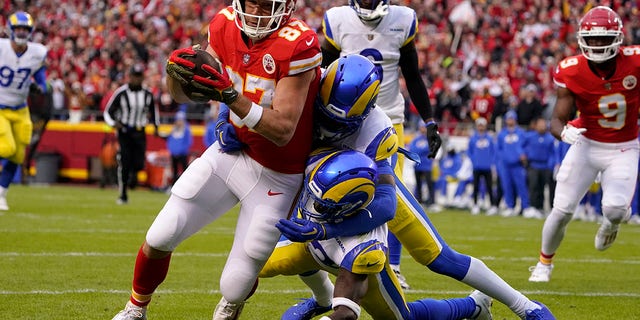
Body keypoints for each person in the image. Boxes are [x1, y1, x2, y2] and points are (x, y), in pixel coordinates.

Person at [270, 55, 554, 320]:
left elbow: (385, 204)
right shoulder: (303, 90)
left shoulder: (376, 129)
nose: (331, 128)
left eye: (341, 122)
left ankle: (524, 306)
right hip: (310, 184)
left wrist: (325, 230)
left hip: (361, 196)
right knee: (276, 243)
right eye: (326, 116)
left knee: (438, 257)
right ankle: (322, 297)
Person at [111, 1, 321, 319]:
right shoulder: (223, 24)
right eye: (255, 4)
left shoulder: (299, 42)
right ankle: (135, 307)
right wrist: (177, 75)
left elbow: (282, 130)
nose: (260, 13)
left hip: (278, 175)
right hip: (232, 153)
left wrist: (230, 98)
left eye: (268, 6)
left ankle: (235, 303)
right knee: (161, 234)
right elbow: (191, 93)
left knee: (234, 285)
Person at [261, 149, 493, 320]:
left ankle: (472, 305)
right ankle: (321, 298)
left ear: (346, 208)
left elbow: (346, 314)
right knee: (254, 263)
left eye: (322, 205)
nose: (313, 208)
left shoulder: (363, 245)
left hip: (350, 259)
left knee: (403, 318)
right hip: (318, 247)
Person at [320, 0, 443, 287]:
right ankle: (342, 257)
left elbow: (412, 75)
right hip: (348, 121)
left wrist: (429, 120)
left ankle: (394, 266)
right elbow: (323, 73)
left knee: (392, 192)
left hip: (389, 120)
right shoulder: (337, 20)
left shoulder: (403, 19)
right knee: (344, 188)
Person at [529, 6, 640, 283]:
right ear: (582, 39)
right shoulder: (572, 69)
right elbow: (557, 119)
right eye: (593, 39)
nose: (598, 44)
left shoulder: (636, 61)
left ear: (618, 38)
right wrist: (564, 133)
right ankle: (544, 263)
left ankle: (610, 222)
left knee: (615, 210)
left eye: (604, 38)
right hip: (587, 144)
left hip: (624, 145)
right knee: (562, 208)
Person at [0, 11, 48, 211]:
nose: (21, 32)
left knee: (18, 155)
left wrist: (39, 87)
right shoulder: (2, 48)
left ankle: (1, 193)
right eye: (18, 28)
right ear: (10, 30)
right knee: (7, 148)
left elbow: (42, 82)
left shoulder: (37, 52)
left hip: (20, 109)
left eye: (25, 29)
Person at [104, 63, 159, 205]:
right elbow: (107, 111)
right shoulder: (121, 93)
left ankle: (133, 177)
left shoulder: (147, 94)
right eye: (135, 76)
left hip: (140, 132)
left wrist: (156, 127)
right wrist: (113, 123)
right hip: (125, 132)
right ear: (130, 77)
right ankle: (123, 194)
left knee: (139, 163)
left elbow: (154, 112)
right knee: (124, 162)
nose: (137, 80)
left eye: (139, 77)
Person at [467, 117, 498, 216]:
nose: (480, 127)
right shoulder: (473, 138)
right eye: (479, 125)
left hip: (487, 166)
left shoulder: (489, 138)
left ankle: (493, 205)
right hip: (477, 166)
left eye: (482, 125)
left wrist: (491, 162)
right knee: (476, 186)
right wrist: (474, 160)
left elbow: (494, 152)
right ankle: (475, 204)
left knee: (489, 187)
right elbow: (469, 151)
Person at [165, 110, 192, 185]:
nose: (179, 122)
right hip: (174, 154)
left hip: (183, 154)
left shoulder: (186, 129)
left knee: (185, 171)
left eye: (180, 120)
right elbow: (170, 141)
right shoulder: (173, 129)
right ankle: (173, 186)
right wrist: (173, 151)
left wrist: (180, 151)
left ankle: (186, 186)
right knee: (174, 171)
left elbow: (188, 142)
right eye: (178, 120)